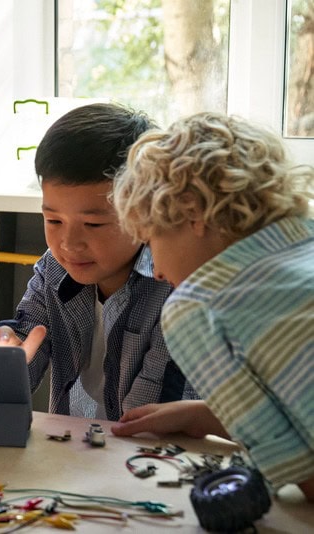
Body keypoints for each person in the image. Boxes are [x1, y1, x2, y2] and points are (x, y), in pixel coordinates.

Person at [110, 112, 313, 501]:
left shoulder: (198, 306)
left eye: (152, 241)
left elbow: (305, 476)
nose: (156, 271)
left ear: (193, 213)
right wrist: (209, 413)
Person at [0, 103, 198, 421]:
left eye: (93, 225)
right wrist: (2, 360)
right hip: (81, 456)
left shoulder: (175, 289)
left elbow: (146, 429)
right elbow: (27, 339)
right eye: (53, 220)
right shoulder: (55, 269)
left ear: (145, 212)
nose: (69, 244)